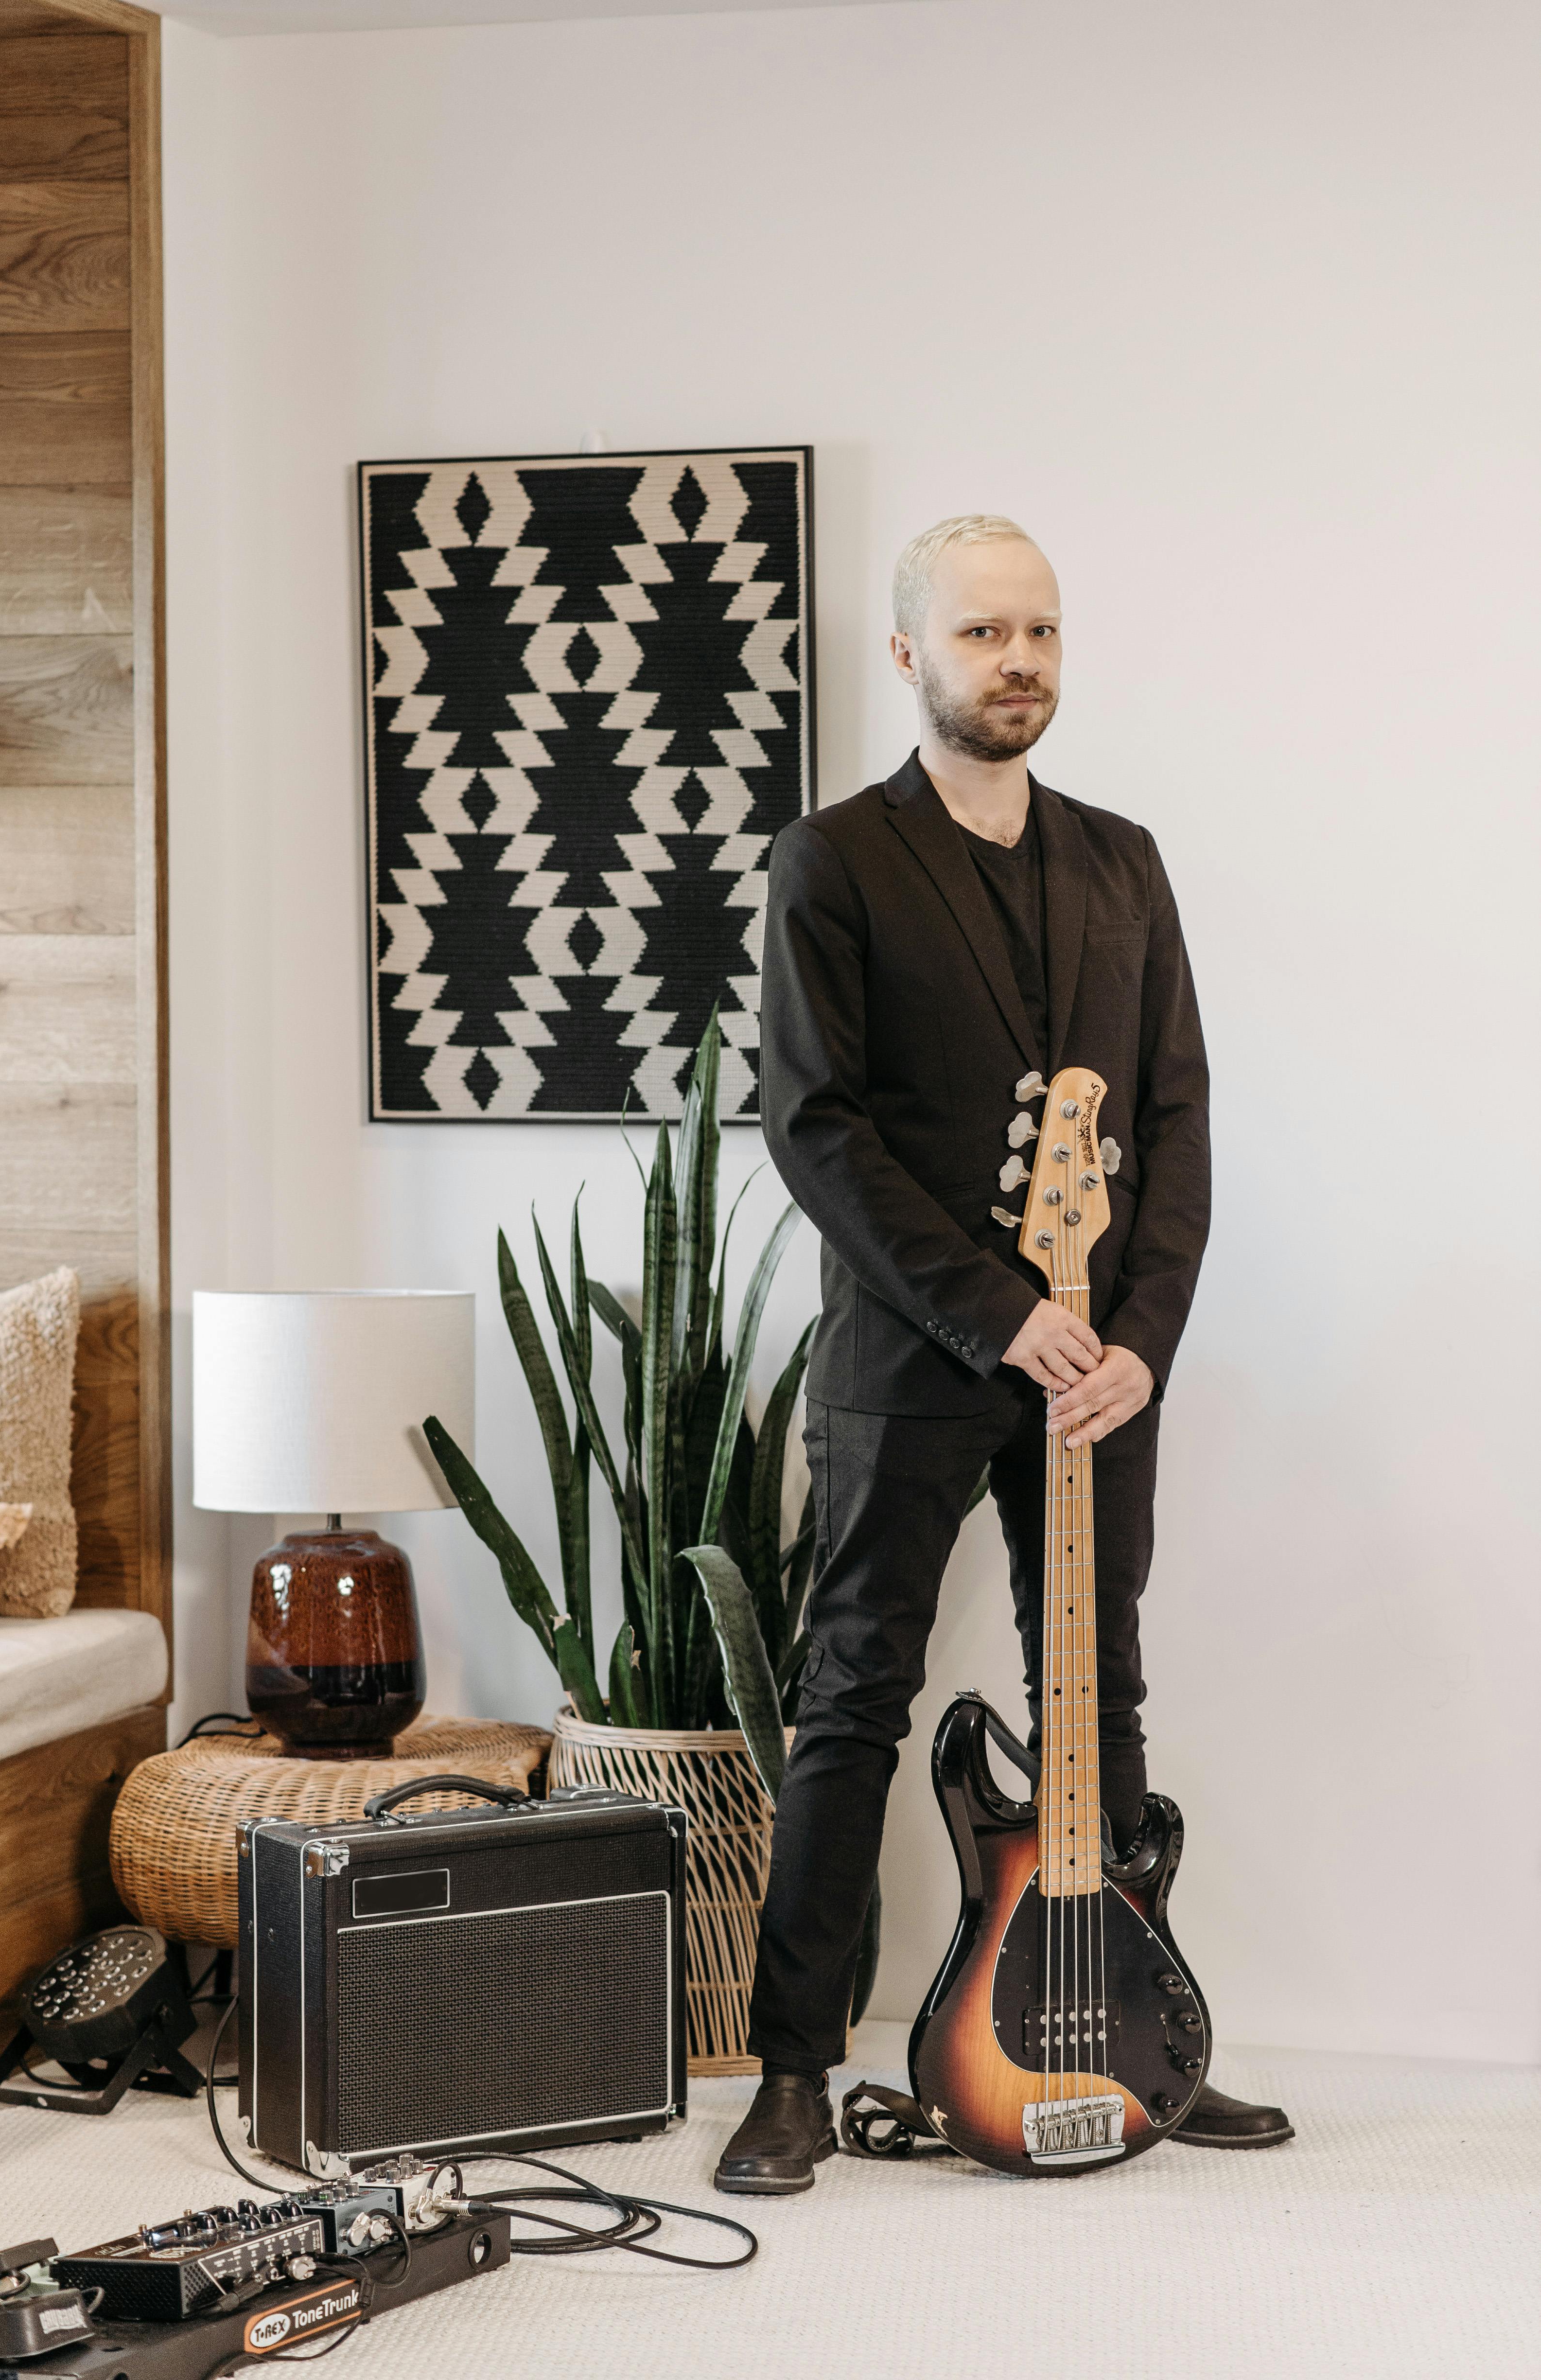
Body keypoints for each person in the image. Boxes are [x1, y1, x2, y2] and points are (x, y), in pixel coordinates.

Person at [714, 514, 1292, 2196]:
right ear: (907, 657)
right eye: (981, 634)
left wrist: (1139, 1345)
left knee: (1095, 1700)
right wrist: (999, 1311)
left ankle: (1132, 2043)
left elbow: (1175, 1120)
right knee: (850, 1704)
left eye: (1037, 630)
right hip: (912, 1364)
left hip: (1097, 1374)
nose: (1017, 659)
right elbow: (814, 1131)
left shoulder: (1123, 859)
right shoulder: (834, 860)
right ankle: (794, 2074)